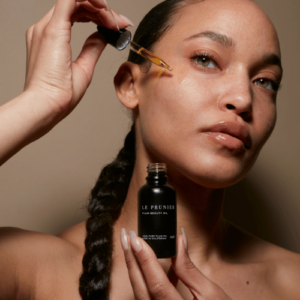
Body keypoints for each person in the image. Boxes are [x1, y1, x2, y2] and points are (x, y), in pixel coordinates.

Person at [0, 0, 299, 299]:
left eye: (265, 81)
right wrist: (41, 100)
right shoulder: (33, 271)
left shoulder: (293, 282)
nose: (243, 98)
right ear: (131, 85)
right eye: (206, 59)